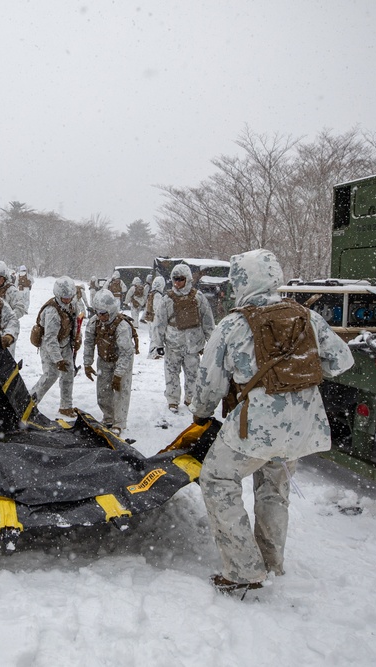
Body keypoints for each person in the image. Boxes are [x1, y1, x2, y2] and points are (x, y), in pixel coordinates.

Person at [190, 249, 353, 598]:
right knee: (274, 488)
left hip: (258, 425)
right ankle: (272, 560)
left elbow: (209, 384)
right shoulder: (307, 316)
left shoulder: (233, 324)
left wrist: (200, 413)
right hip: (302, 425)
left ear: (240, 281)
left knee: (217, 479)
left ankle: (244, 569)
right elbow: (342, 360)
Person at [151, 264, 215, 412]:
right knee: (172, 373)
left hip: (193, 344)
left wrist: (210, 342)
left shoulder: (198, 298)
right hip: (173, 344)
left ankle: (190, 399)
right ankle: (173, 399)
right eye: (175, 279)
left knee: (193, 374)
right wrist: (158, 344)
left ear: (188, 279)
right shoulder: (167, 299)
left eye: (181, 279)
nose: (177, 283)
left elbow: (207, 321)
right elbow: (159, 322)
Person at [82, 289, 137, 436]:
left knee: (120, 391)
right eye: (98, 313)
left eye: (104, 313)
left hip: (122, 360)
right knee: (103, 390)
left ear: (111, 310)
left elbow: (126, 352)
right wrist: (87, 364)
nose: (101, 316)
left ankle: (119, 423)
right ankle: (108, 418)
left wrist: (119, 374)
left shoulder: (122, 326)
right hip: (104, 359)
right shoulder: (94, 322)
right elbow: (88, 342)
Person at [29, 276, 78, 418]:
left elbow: (75, 322)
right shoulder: (52, 311)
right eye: (64, 298)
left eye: (69, 297)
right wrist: (58, 360)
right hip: (48, 345)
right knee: (51, 375)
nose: (67, 300)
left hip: (65, 343)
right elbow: (50, 339)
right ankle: (29, 402)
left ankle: (66, 406)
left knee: (68, 375)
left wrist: (75, 339)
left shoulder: (73, 305)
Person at [145, 275, 166, 356]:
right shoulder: (158, 295)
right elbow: (158, 308)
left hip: (150, 317)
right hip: (155, 318)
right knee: (155, 337)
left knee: (154, 336)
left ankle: (154, 352)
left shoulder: (151, 293)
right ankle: (153, 353)